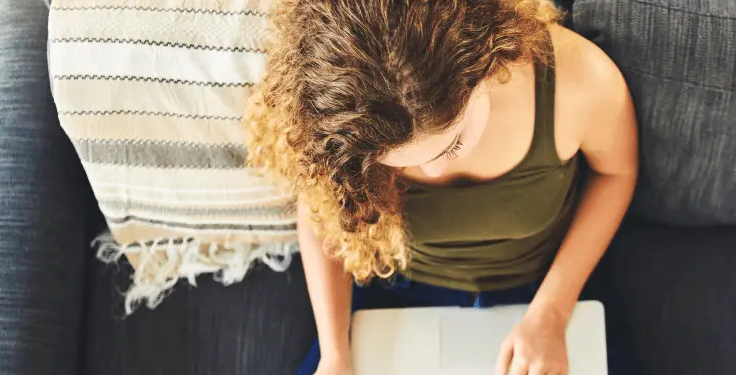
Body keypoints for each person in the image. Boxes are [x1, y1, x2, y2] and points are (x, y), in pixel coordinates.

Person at [245, 0, 637, 374]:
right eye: (402, 163)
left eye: (453, 144)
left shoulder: (577, 79)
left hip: (545, 289)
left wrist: (551, 312)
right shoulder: (342, 128)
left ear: (485, 65)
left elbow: (616, 174)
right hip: (394, 295)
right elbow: (321, 217)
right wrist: (335, 355)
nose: (431, 174)